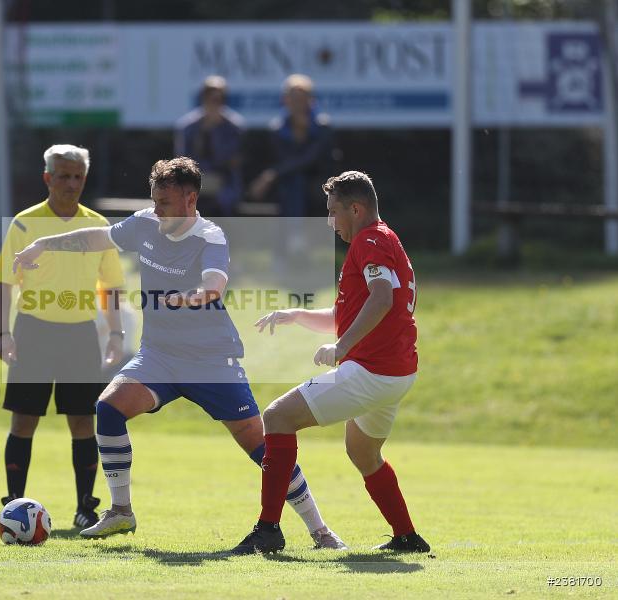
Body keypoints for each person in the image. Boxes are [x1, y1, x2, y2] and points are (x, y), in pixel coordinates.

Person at [13, 157, 345, 549]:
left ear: (190, 199)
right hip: (159, 356)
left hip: (210, 360)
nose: (157, 209)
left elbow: (215, 286)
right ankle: (121, 511)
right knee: (109, 406)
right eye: (154, 200)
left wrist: (189, 298)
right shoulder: (144, 223)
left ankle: (320, 531)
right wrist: (44, 244)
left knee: (261, 444)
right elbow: (97, 240)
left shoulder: (211, 236)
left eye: (165, 202)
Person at [231, 171, 430, 555]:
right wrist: (297, 314)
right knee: (363, 453)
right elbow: (354, 311)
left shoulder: (369, 240)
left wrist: (341, 347)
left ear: (355, 209)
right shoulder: (384, 239)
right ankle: (407, 537)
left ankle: (268, 530)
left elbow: (382, 298)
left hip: (373, 370)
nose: (329, 221)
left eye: (333, 211)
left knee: (276, 418)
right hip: (398, 372)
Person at [0, 144, 125, 530]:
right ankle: (13, 504)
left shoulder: (100, 227)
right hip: (33, 330)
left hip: (81, 335)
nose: (71, 183)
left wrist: (116, 333)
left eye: (78, 177)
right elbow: (3, 283)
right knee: (24, 421)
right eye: (64, 176)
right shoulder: (23, 223)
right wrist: (2, 331)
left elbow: (112, 286)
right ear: (47, 178)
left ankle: (85, 506)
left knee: (83, 422)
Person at [249, 74, 334, 256]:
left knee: (296, 182)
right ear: (285, 100)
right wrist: (274, 174)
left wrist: (271, 175)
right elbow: (283, 161)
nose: (297, 103)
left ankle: (292, 243)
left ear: (311, 100)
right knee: (293, 182)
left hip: (318, 181)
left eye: (302, 98)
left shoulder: (322, 127)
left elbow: (310, 161)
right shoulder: (277, 129)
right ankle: (294, 244)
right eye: (293, 98)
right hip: (287, 184)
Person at [174, 75, 244, 217]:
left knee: (224, 201)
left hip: (225, 181)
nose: (214, 103)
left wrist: (213, 130)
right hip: (195, 181)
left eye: (218, 99)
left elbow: (232, 161)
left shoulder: (234, 127)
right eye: (210, 98)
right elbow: (181, 161)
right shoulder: (188, 127)